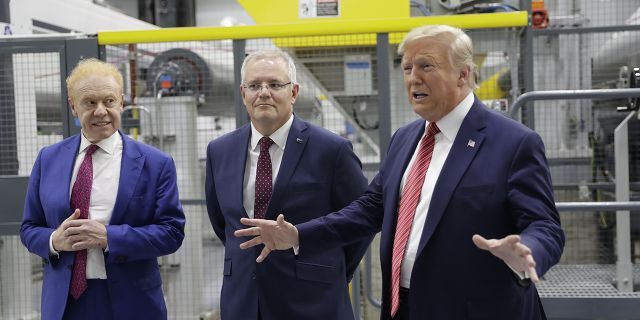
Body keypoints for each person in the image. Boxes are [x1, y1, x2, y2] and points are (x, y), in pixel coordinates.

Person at [235, 25, 565, 320]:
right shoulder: (406, 139)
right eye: (407, 67)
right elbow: (369, 209)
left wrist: (528, 251)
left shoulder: (513, 142)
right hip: (403, 307)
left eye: (426, 66)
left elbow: (545, 226)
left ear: (463, 75)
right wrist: (298, 236)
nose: (412, 78)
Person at [205, 49, 371, 320]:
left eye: (274, 84)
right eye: (254, 85)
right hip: (243, 301)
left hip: (312, 301)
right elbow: (224, 224)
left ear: (293, 92)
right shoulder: (220, 150)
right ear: (243, 93)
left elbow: (361, 221)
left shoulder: (332, 150)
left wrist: (329, 268)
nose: (264, 92)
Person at [20, 58, 185, 320]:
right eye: (89, 103)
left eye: (108, 101)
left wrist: (110, 237)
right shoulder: (48, 159)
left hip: (132, 302)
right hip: (65, 304)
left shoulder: (156, 163)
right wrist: (54, 241)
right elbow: (29, 228)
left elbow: (172, 232)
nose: (100, 111)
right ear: (73, 106)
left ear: (121, 102)